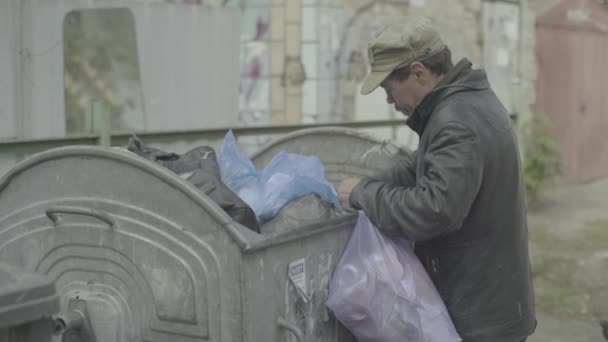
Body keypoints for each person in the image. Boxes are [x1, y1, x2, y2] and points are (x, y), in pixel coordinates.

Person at [337, 16, 536, 342]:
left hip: (480, 320)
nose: (389, 100)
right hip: (495, 306)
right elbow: (420, 167)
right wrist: (366, 183)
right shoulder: (470, 100)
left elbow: (434, 210)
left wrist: (363, 195)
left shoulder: (454, 120)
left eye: (389, 88)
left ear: (418, 71)